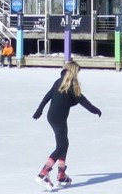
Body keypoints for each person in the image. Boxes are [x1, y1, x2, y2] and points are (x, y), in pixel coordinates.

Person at [32, 61, 102, 190]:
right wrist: (95, 110)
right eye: (78, 72)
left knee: (64, 143)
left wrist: (39, 110)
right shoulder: (71, 87)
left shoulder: (59, 81)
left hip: (52, 117)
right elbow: (84, 102)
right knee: (62, 145)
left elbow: (48, 97)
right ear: (74, 72)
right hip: (59, 119)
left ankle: (61, 174)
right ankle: (43, 173)